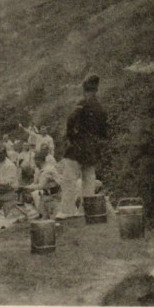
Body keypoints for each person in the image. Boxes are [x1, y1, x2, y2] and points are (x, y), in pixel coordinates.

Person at [57, 74, 108, 219]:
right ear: (96, 90)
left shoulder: (82, 103)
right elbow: (104, 131)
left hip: (78, 147)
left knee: (69, 178)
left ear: (85, 90)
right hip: (92, 148)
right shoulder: (100, 108)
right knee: (89, 179)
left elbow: (71, 119)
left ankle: (66, 211)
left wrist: (71, 137)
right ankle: (88, 211)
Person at [22, 152, 61, 220]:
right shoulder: (38, 170)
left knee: (53, 219)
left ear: (38, 160)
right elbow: (35, 183)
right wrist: (25, 188)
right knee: (43, 218)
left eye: (35, 161)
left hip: (53, 197)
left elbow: (41, 186)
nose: (34, 163)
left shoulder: (48, 169)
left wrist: (26, 187)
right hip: (44, 197)